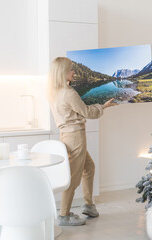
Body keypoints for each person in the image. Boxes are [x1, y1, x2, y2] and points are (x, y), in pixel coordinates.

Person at [47, 57, 118, 226]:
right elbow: (87, 112)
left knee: (89, 167)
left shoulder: (55, 91)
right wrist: (104, 106)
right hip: (75, 136)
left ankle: (89, 205)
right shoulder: (69, 93)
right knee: (73, 176)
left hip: (66, 135)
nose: (73, 72)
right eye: (71, 70)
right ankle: (64, 215)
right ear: (63, 72)